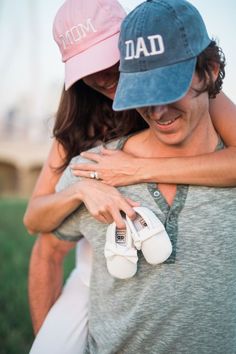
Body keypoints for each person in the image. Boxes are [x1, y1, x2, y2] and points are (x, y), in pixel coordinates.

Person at [25, 0, 236, 352]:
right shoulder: (80, 124)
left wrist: (140, 168)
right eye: (88, 68)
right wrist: (81, 192)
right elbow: (36, 223)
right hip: (98, 256)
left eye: (110, 61)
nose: (104, 76)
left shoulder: (199, 89)